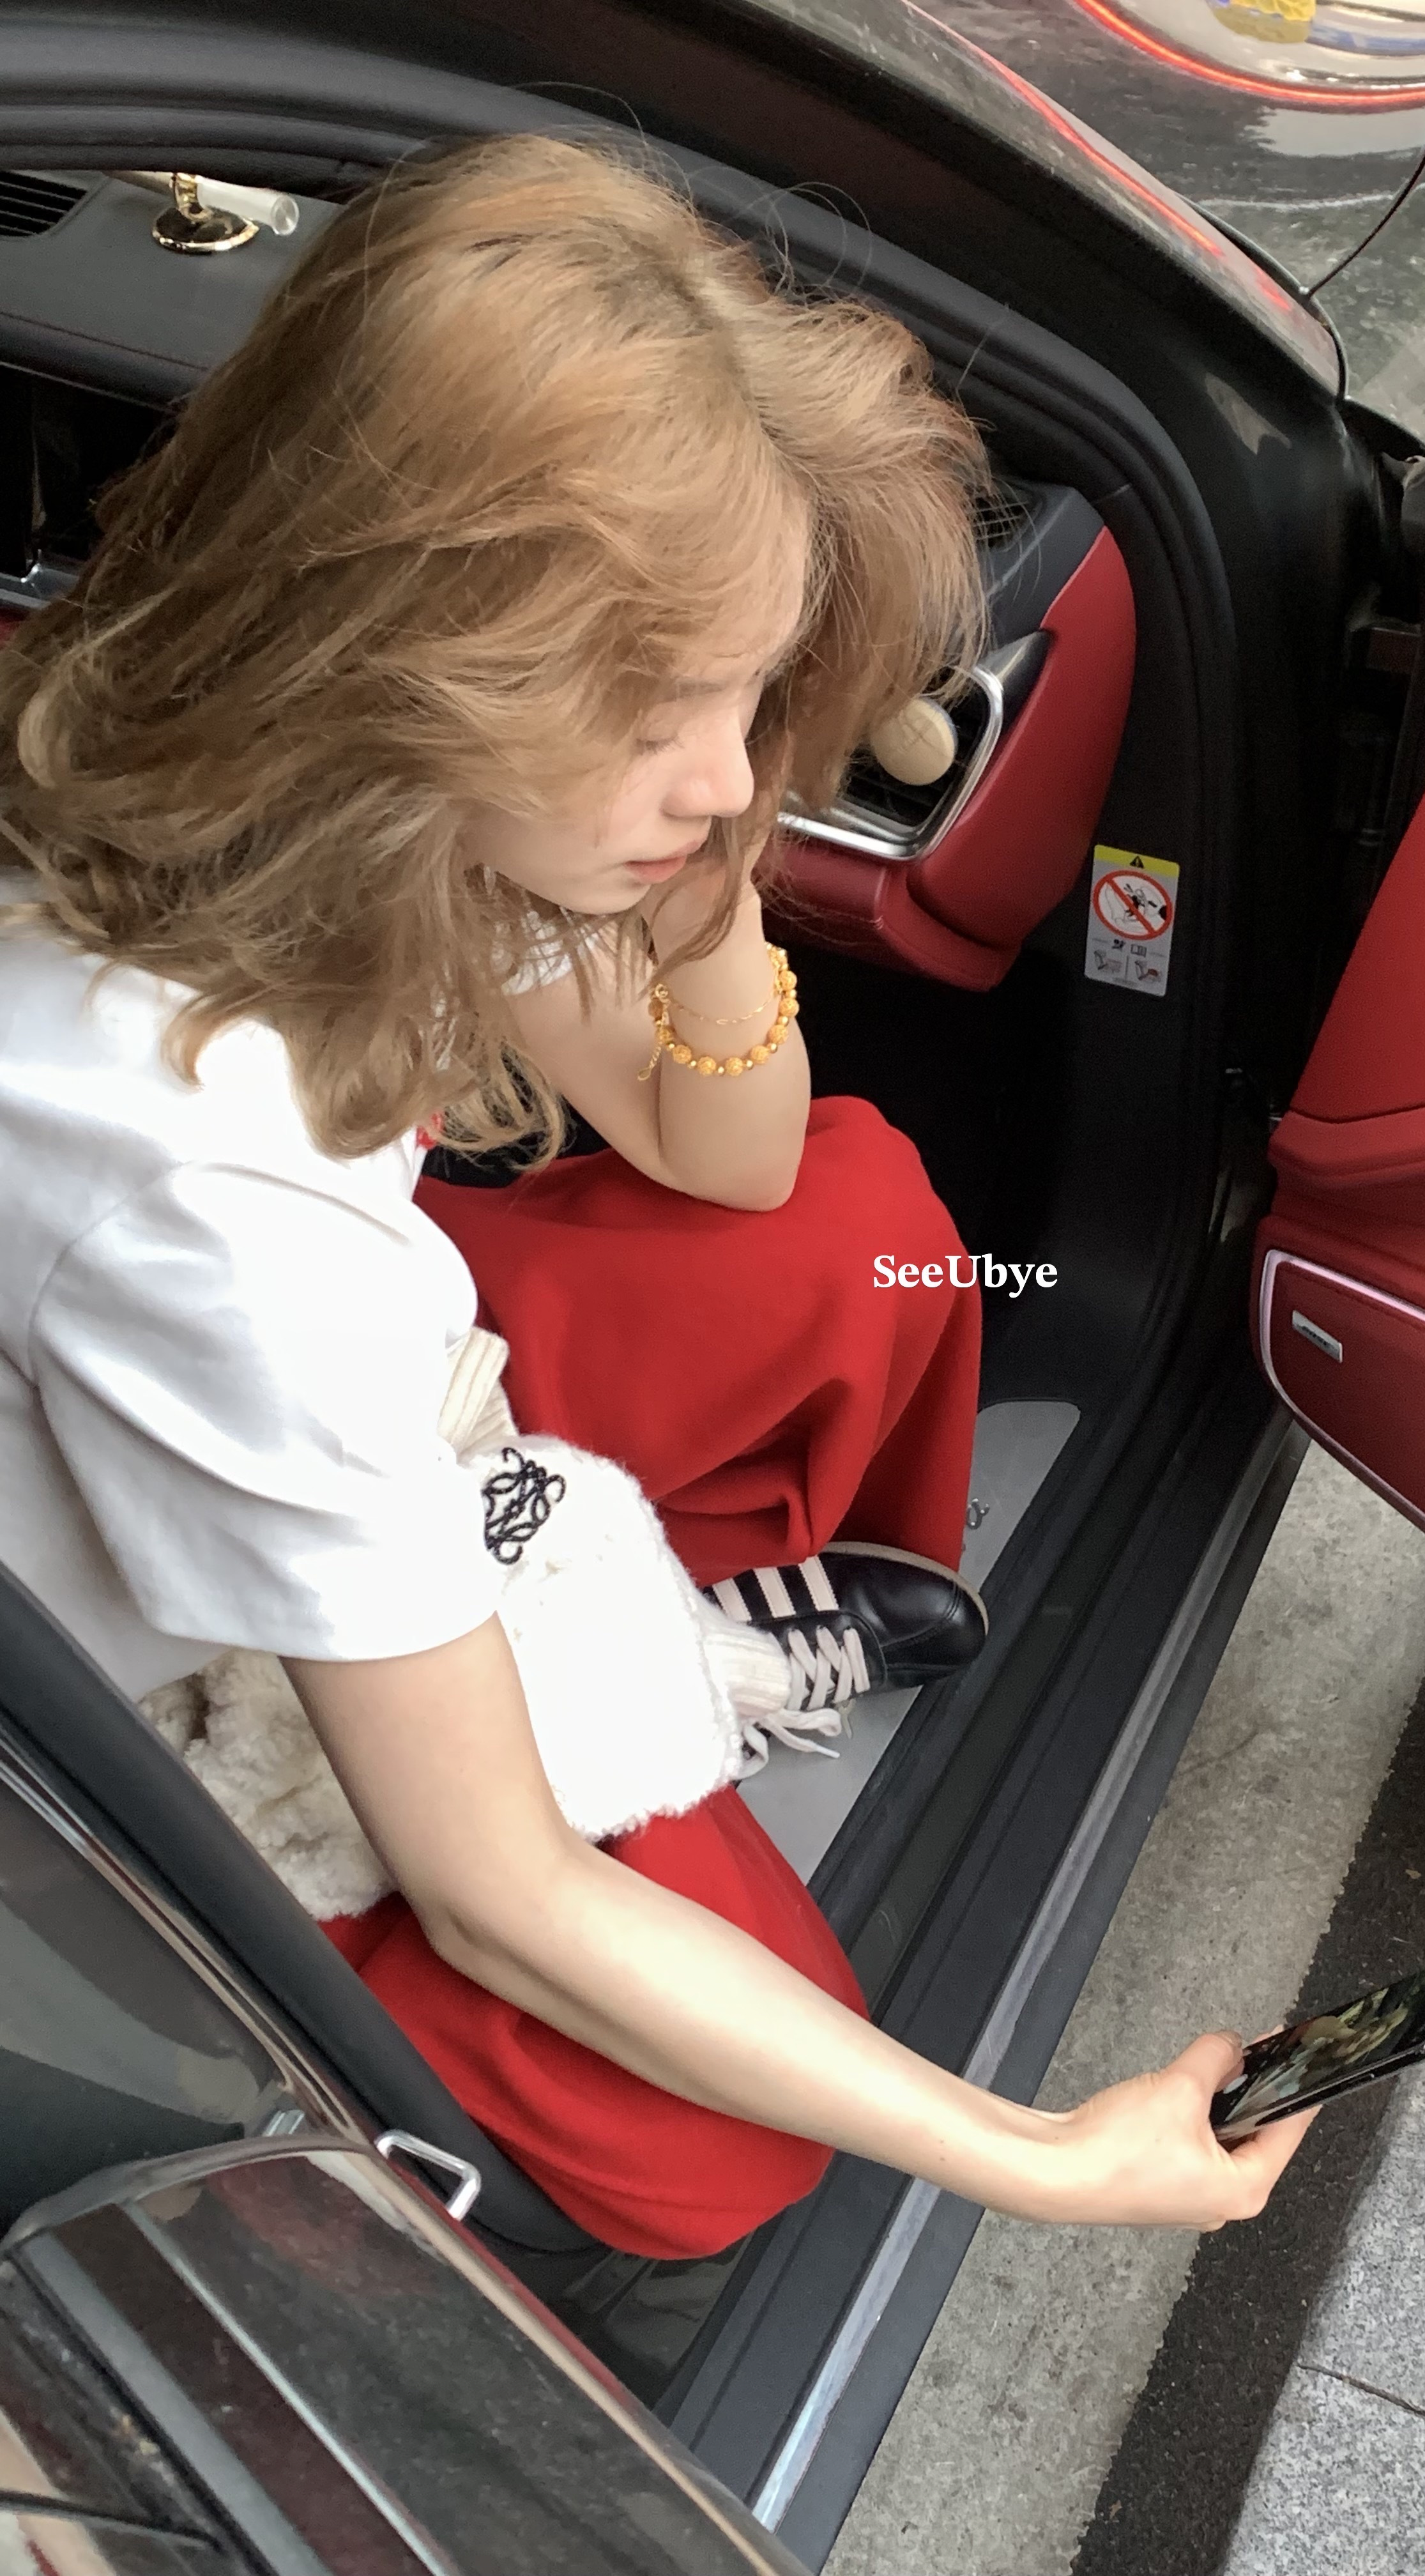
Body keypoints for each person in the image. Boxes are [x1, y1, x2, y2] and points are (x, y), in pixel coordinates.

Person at [0, 132, 1313, 2263]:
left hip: (357, 1391)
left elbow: (739, 1153)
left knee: (865, 1219)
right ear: (395, 640)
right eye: (652, 701)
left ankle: (650, 1630)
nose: (723, 773)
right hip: (162, 1667)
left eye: (751, 687)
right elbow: (504, 1899)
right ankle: (651, 1649)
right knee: (721, 2163)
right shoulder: (190, 1176)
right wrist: (1047, 2157)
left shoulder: (333, 800)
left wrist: (712, 869)